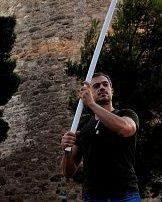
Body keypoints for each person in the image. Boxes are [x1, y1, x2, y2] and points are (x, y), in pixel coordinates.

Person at [60, 72, 140, 202]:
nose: (102, 88)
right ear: (89, 92)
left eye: (105, 84)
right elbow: (68, 172)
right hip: (93, 196)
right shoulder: (82, 126)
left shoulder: (126, 114)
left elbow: (126, 129)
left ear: (111, 90)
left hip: (125, 193)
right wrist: (66, 151)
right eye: (96, 86)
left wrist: (92, 104)